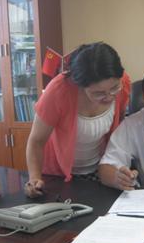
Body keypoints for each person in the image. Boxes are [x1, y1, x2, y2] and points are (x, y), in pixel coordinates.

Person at [24, 42, 132, 198]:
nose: (109, 97)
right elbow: (36, 141)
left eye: (114, 88)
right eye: (98, 93)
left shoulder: (123, 82)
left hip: (98, 171)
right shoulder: (59, 91)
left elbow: (119, 127)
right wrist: (34, 178)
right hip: (58, 175)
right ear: (80, 85)